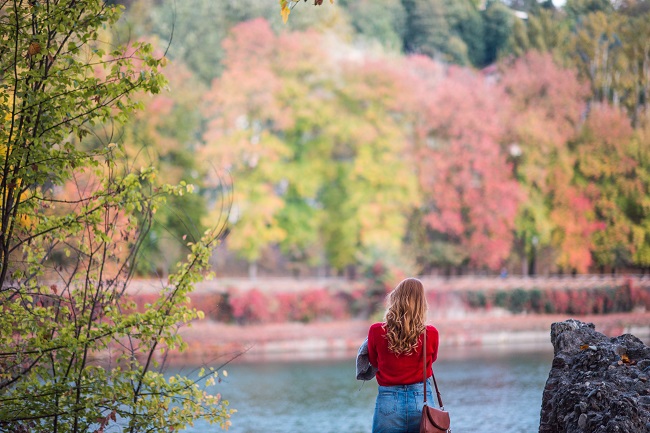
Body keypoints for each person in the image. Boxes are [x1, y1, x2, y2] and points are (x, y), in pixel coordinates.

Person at [366, 277, 439, 433]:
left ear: (395, 299)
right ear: (422, 304)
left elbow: (373, 361)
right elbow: (431, 361)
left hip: (388, 400)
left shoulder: (377, 331)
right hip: (422, 399)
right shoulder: (431, 333)